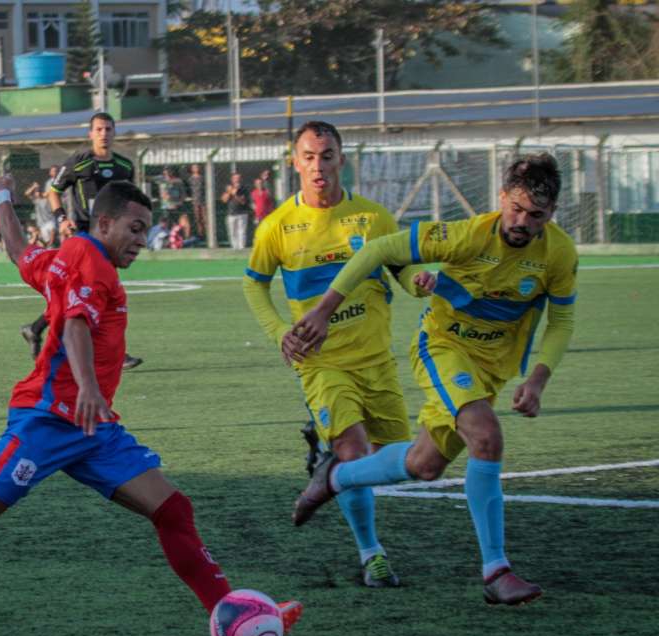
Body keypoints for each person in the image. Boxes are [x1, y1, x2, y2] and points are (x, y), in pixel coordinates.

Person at [0, 177, 303, 636]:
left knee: (173, 510)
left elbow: (18, 253)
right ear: (104, 223)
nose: (142, 240)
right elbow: (74, 324)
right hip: (49, 419)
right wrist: (89, 386)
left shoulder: (67, 258)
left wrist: (2, 197)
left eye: (146, 231)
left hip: (92, 427)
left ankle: (232, 611)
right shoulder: (91, 262)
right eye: (135, 229)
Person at [288, 153, 577, 606]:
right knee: (486, 435)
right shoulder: (466, 235)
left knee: (425, 465)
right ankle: (496, 571)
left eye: (535, 215)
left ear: (552, 214)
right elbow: (378, 251)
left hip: (492, 367)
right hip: (443, 348)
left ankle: (337, 476)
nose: (522, 221)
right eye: (515, 209)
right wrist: (323, 310)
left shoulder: (558, 253)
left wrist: (538, 378)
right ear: (501, 198)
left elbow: (561, 320)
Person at [244, 121, 435, 588]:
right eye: (308, 156)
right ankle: (372, 555)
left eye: (326, 155)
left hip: (376, 360)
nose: (318, 166)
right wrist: (278, 332)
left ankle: (326, 470)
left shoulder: (372, 219)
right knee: (353, 451)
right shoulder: (277, 227)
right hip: (320, 362)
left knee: (404, 463)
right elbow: (255, 283)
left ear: (341, 160)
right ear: (295, 162)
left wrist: (419, 282)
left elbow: (402, 271)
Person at [22, 112, 143, 370]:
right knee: (102, 293)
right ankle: (115, 355)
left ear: (114, 132)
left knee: (81, 293)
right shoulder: (79, 162)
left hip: (111, 239)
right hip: (85, 237)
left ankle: (35, 328)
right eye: (99, 129)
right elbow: (53, 192)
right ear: (90, 134)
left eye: (108, 129)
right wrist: (63, 219)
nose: (104, 134)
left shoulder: (125, 166)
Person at [221, 172, 250, 250]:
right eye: (235, 178)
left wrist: (235, 193)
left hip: (242, 213)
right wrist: (230, 192)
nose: (237, 180)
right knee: (232, 231)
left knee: (241, 231)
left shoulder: (244, 188)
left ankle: (241, 247)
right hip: (231, 212)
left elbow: (243, 201)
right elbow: (224, 200)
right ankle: (234, 246)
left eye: (238, 178)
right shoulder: (228, 188)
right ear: (232, 179)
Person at [25, 181, 56, 248]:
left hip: (50, 220)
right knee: (46, 242)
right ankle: (48, 248)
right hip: (42, 224)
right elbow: (27, 194)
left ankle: (51, 246)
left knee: (52, 233)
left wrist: (41, 194)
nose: (36, 192)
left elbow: (49, 194)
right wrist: (34, 187)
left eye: (38, 190)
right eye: (35, 191)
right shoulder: (35, 199)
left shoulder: (46, 196)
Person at [188, 163, 206, 240]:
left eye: (197, 167)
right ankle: (200, 234)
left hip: (203, 200)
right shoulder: (190, 179)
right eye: (194, 167)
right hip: (195, 200)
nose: (196, 169)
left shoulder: (202, 178)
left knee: (205, 218)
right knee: (198, 218)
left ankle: (208, 234)